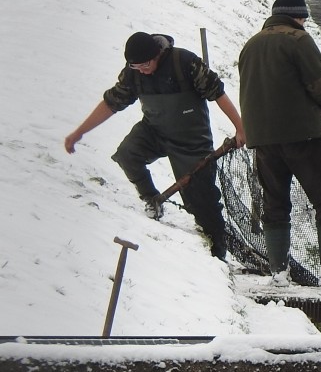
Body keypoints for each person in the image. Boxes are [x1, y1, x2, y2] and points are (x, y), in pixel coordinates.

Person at [65, 32, 246, 261]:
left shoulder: (185, 63)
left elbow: (217, 92)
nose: (141, 69)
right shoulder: (133, 75)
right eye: (135, 66)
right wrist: (79, 132)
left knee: (202, 199)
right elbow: (112, 103)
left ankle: (217, 248)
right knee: (128, 155)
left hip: (192, 140)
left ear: (157, 54)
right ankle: (152, 200)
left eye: (145, 64)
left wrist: (240, 127)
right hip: (154, 131)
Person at [238, 0, 321, 288]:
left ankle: (278, 271)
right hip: (304, 135)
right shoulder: (299, 40)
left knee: (275, 204)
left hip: (263, 139)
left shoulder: (251, 45)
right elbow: (319, 86)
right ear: (299, 17)